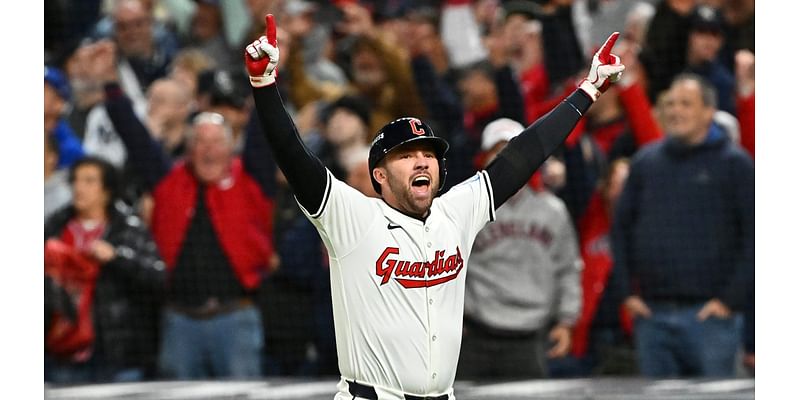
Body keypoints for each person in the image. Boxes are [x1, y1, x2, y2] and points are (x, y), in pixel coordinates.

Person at [246, 14, 623, 399]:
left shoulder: (456, 213)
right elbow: (293, 155)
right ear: (379, 174)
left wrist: (588, 91)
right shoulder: (353, 218)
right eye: (406, 155)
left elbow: (522, 155)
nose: (422, 161)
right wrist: (263, 84)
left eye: (428, 153)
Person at [92, 41, 277, 379]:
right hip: (179, 322)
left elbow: (265, 131)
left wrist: (267, 78)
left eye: (215, 142)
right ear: (188, 148)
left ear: (230, 146)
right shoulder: (168, 181)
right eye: (199, 142)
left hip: (236, 318)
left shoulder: (252, 180)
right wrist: (110, 85)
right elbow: (135, 137)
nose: (207, 150)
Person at [610, 73, 754, 378]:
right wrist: (626, 294)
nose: (676, 111)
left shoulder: (736, 165)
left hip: (711, 318)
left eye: (686, 104)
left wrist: (730, 300)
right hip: (652, 316)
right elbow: (620, 230)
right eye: (671, 104)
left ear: (708, 112)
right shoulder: (645, 163)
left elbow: (756, 238)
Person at [458, 118, 582, 380]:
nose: (505, 158)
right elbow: (449, 268)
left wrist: (566, 322)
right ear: (483, 157)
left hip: (530, 336)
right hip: (475, 333)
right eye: (497, 150)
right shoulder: (465, 208)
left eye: (512, 150)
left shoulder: (553, 211)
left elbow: (568, 269)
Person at [45, 156, 166, 383]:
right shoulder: (54, 228)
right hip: (63, 351)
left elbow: (157, 277)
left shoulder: (128, 229)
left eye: (90, 181)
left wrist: (116, 258)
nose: (79, 188)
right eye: (76, 181)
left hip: (118, 352)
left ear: (107, 191)